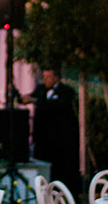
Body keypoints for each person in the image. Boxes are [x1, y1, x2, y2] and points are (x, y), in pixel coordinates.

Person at [26, 65, 80, 194]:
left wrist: (35, 100)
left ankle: (62, 194)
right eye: (44, 77)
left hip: (60, 139)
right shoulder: (40, 90)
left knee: (61, 168)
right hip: (42, 138)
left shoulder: (66, 91)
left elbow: (58, 106)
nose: (46, 80)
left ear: (56, 78)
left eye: (49, 77)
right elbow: (29, 98)